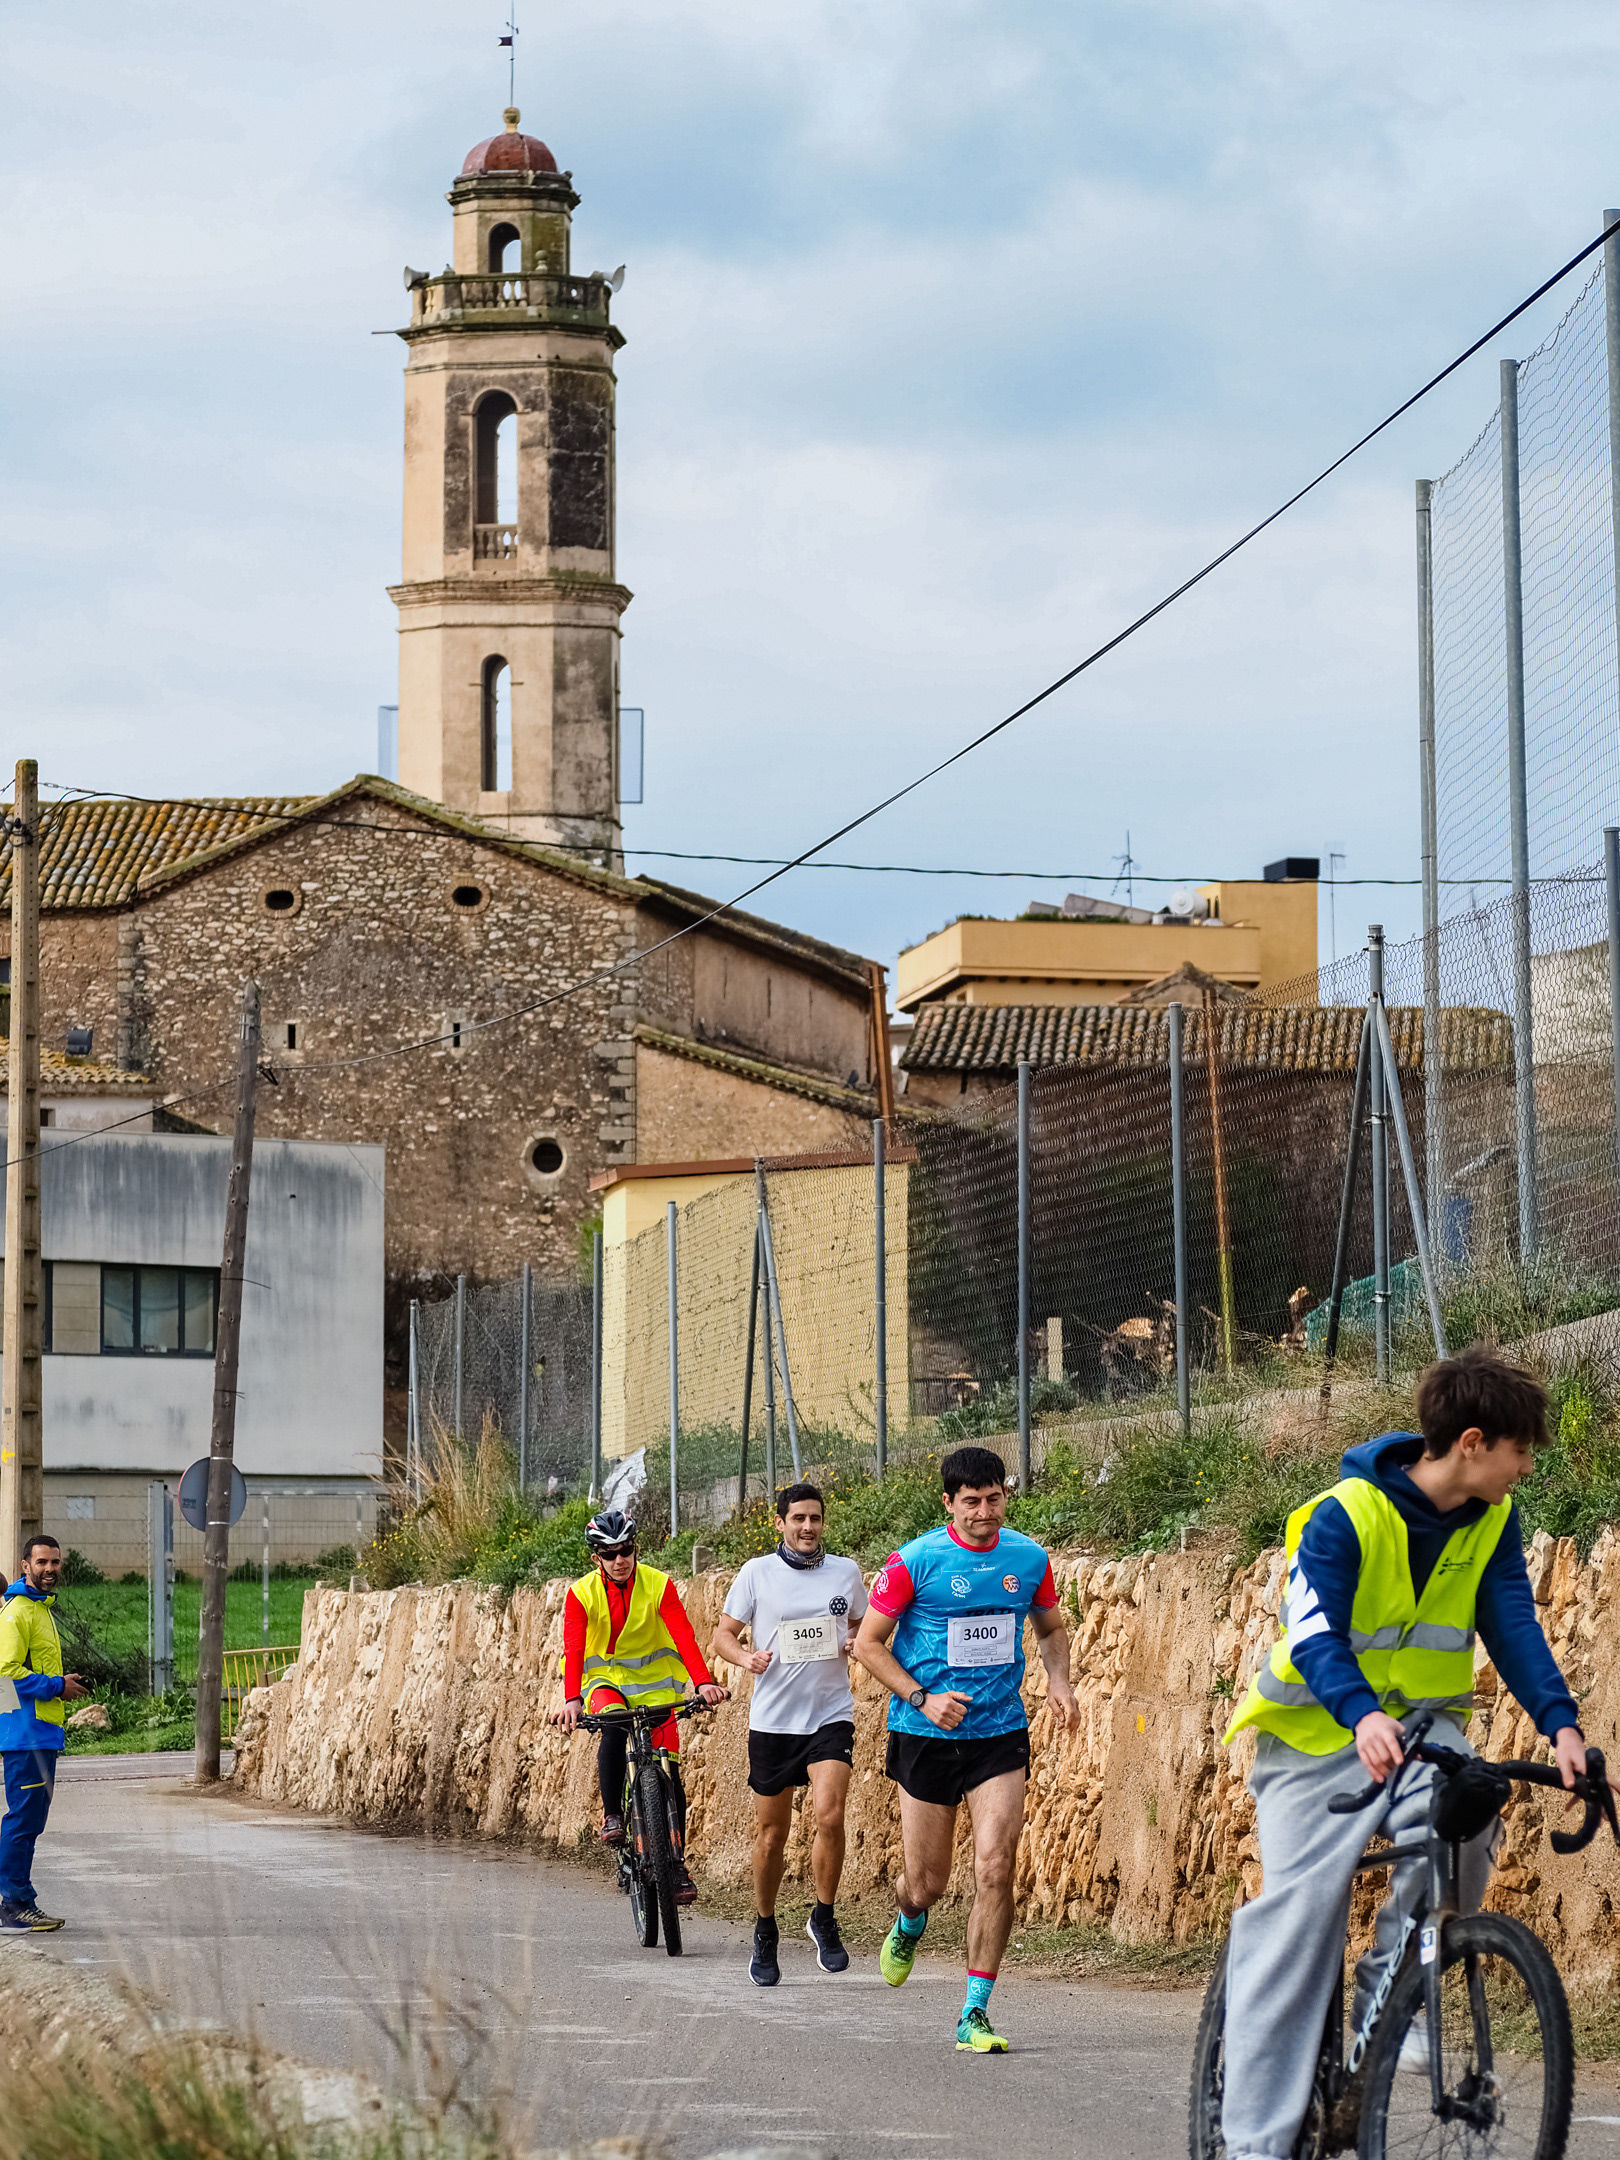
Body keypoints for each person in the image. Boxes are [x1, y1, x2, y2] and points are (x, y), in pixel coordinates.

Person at [1219, 1349, 1619, 2160]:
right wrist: (1361, 1714)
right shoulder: (1344, 1515)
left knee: (1471, 1812)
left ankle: (1398, 1983)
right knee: (1295, 1929)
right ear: (1471, 1443)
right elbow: (1315, 1634)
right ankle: (1255, 2145)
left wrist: (1563, 1727)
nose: (1527, 1466)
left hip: (1420, 1734)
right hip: (1315, 1738)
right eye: (1519, 1450)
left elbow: (1512, 1624)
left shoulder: (1492, 1520)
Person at [854, 1444, 1079, 2053]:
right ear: (948, 1503)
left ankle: (974, 2012)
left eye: (994, 1499)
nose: (984, 1512)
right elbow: (868, 1645)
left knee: (996, 1866)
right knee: (926, 1882)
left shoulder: (1028, 1558)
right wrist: (922, 1697)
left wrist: (1059, 1681)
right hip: (926, 1734)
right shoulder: (914, 1561)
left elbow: (1050, 1628)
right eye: (972, 1502)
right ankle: (909, 1920)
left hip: (998, 1733)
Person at [712, 1481, 869, 1986]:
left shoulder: (846, 1573)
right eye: (798, 1518)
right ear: (780, 1523)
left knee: (830, 1815)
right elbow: (722, 1635)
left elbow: (864, 1626)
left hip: (830, 1714)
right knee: (772, 1834)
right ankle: (765, 1928)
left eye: (815, 1518)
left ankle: (824, 1916)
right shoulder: (757, 1573)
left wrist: (854, 1641)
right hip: (775, 1721)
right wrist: (745, 1658)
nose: (807, 1527)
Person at [551, 1507, 726, 1901]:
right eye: (609, 1554)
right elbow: (574, 1648)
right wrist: (572, 1700)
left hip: (656, 1687)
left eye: (626, 1550)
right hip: (606, 1682)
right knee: (613, 1728)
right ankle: (613, 1814)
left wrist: (703, 1682)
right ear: (596, 1558)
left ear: (635, 1548)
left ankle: (676, 1866)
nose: (620, 1560)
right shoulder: (580, 1594)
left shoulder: (659, 1585)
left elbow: (683, 1635)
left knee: (671, 1774)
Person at [1, 1536, 90, 1932]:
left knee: (30, 1821)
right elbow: (6, 1671)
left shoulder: (39, 1608)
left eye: (54, 1562)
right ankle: (14, 1905)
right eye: (41, 1562)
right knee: (23, 1821)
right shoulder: (18, 1611)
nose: (49, 1569)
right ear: (25, 1566)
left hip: (40, 1733)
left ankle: (17, 1902)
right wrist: (56, 1686)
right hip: (25, 1736)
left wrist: (61, 1681)